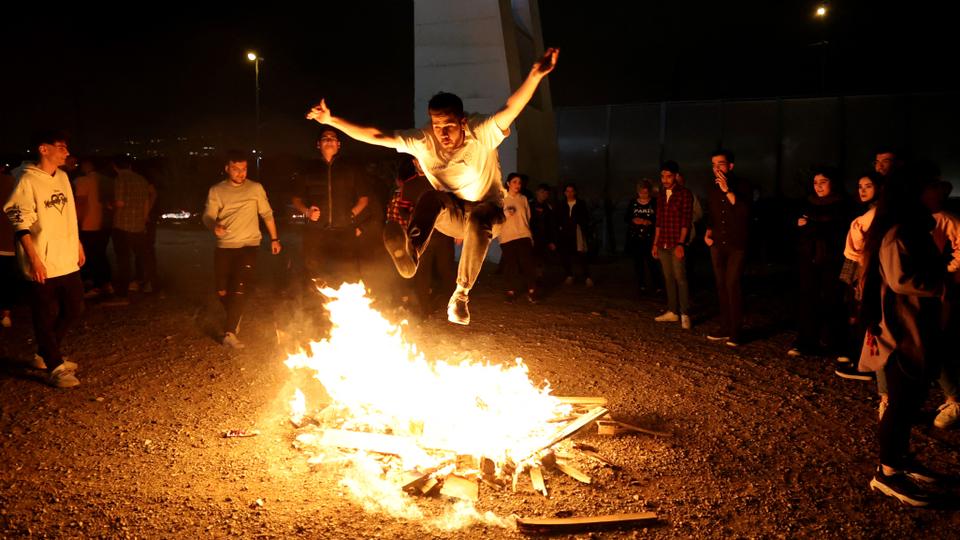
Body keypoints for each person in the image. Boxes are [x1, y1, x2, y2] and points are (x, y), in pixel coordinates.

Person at [306, 48, 559, 325]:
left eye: (449, 126)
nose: (443, 134)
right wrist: (332, 120)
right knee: (431, 197)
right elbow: (378, 135)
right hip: (451, 216)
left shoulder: (481, 131)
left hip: (489, 216)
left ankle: (461, 295)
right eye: (438, 126)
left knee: (481, 214)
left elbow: (511, 108)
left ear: (463, 121)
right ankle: (411, 253)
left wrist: (535, 76)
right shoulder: (424, 140)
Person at [860, 177, 944, 507]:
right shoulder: (897, 233)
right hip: (901, 329)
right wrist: (944, 283)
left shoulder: (911, 227)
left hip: (915, 324)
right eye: (933, 184)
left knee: (910, 400)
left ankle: (900, 460)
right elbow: (900, 279)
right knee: (900, 401)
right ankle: (887, 473)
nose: (939, 189)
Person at [3, 131, 84, 387]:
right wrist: (33, 258)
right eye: (61, 147)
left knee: (74, 308)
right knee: (44, 313)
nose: (66, 152)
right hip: (42, 260)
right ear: (44, 149)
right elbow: (19, 220)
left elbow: (68, 214)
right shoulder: (27, 179)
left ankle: (45, 353)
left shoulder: (62, 176)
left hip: (67, 256)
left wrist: (78, 242)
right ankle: (54, 365)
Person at [202, 151, 281, 348]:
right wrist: (215, 227)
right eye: (236, 169)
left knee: (239, 288)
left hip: (249, 245)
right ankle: (235, 316)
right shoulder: (217, 190)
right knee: (222, 290)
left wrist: (274, 238)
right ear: (227, 169)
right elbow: (208, 216)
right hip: (225, 246)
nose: (241, 173)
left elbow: (267, 214)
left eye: (244, 169)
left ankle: (229, 332)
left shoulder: (255, 188)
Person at [291, 128, 371, 287]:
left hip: (344, 231)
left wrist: (351, 214)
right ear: (318, 144)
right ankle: (316, 309)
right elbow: (296, 199)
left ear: (338, 144)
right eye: (325, 138)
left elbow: (364, 198)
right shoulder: (308, 168)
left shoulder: (350, 168)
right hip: (316, 232)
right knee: (316, 275)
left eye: (332, 138)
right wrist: (307, 212)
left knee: (347, 274)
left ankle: (347, 307)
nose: (329, 140)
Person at [787, 167, 851, 357]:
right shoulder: (808, 203)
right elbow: (798, 228)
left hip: (833, 259)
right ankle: (806, 340)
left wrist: (812, 226)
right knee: (808, 299)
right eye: (816, 182)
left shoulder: (844, 205)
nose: (818, 186)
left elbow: (839, 231)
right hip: (809, 258)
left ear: (833, 182)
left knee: (833, 299)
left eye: (823, 182)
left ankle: (834, 342)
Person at [385, 155, 455, 318]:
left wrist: (459, 232)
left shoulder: (439, 182)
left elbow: (452, 206)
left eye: (422, 160)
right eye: (417, 161)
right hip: (420, 236)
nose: (420, 164)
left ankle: (454, 307)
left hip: (443, 234)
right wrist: (412, 214)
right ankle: (425, 310)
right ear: (414, 163)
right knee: (422, 272)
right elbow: (403, 209)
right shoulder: (410, 185)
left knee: (447, 271)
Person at [835, 172, 884, 381]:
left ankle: (866, 364)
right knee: (856, 310)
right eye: (860, 186)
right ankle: (858, 356)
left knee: (866, 311)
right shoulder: (867, 213)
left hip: (867, 266)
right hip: (859, 264)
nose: (862, 190)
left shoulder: (876, 215)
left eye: (868, 186)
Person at [703, 149, 751, 347]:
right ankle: (725, 326)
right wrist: (707, 231)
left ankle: (736, 331)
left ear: (730, 166)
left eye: (720, 164)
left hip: (737, 244)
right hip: (717, 243)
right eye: (714, 165)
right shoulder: (711, 187)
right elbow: (712, 212)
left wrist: (727, 190)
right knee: (721, 285)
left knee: (732, 284)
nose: (717, 168)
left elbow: (744, 211)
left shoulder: (743, 185)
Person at [653, 160, 694, 330]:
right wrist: (655, 244)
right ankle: (672, 310)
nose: (665, 179)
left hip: (676, 242)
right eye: (662, 176)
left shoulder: (685, 194)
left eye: (668, 176)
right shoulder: (662, 195)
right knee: (668, 278)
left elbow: (686, 220)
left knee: (680, 278)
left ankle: (685, 313)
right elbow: (659, 221)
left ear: (676, 176)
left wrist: (680, 243)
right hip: (663, 242)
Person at [111, 156, 154, 299]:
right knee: (141, 256)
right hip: (139, 225)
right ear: (130, 166)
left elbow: (120, 203)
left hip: (122, 225)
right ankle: (142, 283)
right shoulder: (141, 179)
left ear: (115, 167)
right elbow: (146, 201)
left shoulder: (120, 179)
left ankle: (122, 290)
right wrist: (144, 217)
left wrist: (109, 205)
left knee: (123, 258)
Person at [73, 159, 113, 299]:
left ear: (87, 165)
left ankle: (96, 285)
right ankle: (106, 283)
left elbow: (81, 202)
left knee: (91, 255)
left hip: (88, 224)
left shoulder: (83, 181)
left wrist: (77, 221)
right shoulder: (107, 180)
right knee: (101, 254)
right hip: (106, 224)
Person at [500, 172, 538, 302]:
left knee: (527, 263)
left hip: (523, 234)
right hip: (507, 236)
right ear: (508, 184)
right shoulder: (501, 199)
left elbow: (527, 217)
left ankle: (532, 291)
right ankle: (510, 291)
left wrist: (529, 234)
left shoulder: (523, 199)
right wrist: (505, 214)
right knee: (512, 265)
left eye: (520, 183)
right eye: (515, 182)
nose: (518, 185)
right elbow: (496, 218)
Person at [625, 179, 658, 295]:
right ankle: (641, 285)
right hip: (636, 238)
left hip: (650, 237)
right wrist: (634, 220)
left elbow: (658, 219)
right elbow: (627, 218)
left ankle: (657, 285)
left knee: (653, 262)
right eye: (641, 192)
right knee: (638, 262)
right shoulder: (633, 203)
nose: (644, 195)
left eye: (646, 192)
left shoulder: (654, 203)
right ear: (638, 192)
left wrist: (649, 222)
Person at [557, 183, 592, 287]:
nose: (569, 193)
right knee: (565, 254)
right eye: (567, 191)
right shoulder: (561, 204)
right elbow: (557, 217)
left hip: (577, 231)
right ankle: (569, 275)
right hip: (565, 232)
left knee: (581, 255)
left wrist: (581, 225)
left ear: (575, 192)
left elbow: (585, 217)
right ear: (564, 192)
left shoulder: (581, 203)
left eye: (571, 191)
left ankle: (587, 276)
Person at [1, 166, 19, 328]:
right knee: (7, 278)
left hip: (6, 239)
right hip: (7, 240)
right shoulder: (13, 183)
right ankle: (6, 313)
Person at [530, 183, 558, 280]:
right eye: (542, 192)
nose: (544, 195)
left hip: (544, 238)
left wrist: (552, 241)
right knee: (532, 258)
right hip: (531, 236)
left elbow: (551, 225)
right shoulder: (530, 205)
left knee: (542, 258)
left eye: (546, 193)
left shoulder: (548, 207)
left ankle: (539, 276)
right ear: (537, 192)